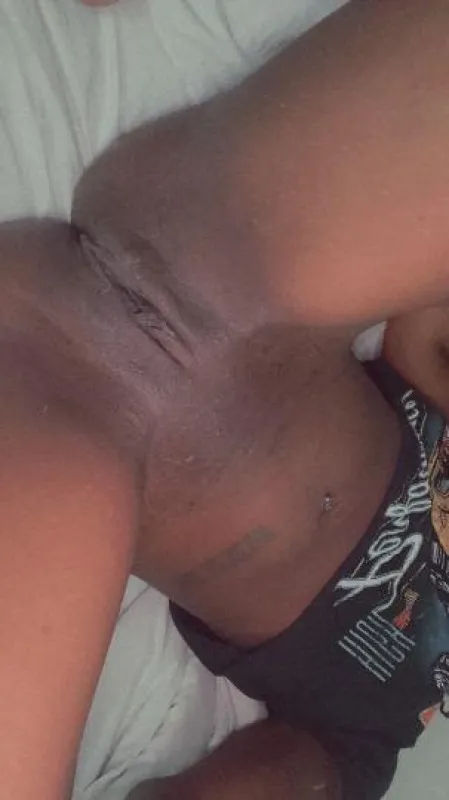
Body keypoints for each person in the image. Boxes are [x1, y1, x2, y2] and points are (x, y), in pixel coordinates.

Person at [4, 2, 449, 800]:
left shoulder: (388, 714)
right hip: (225, 253)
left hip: (90, 437)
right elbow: (426, 336)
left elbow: (293, 774)